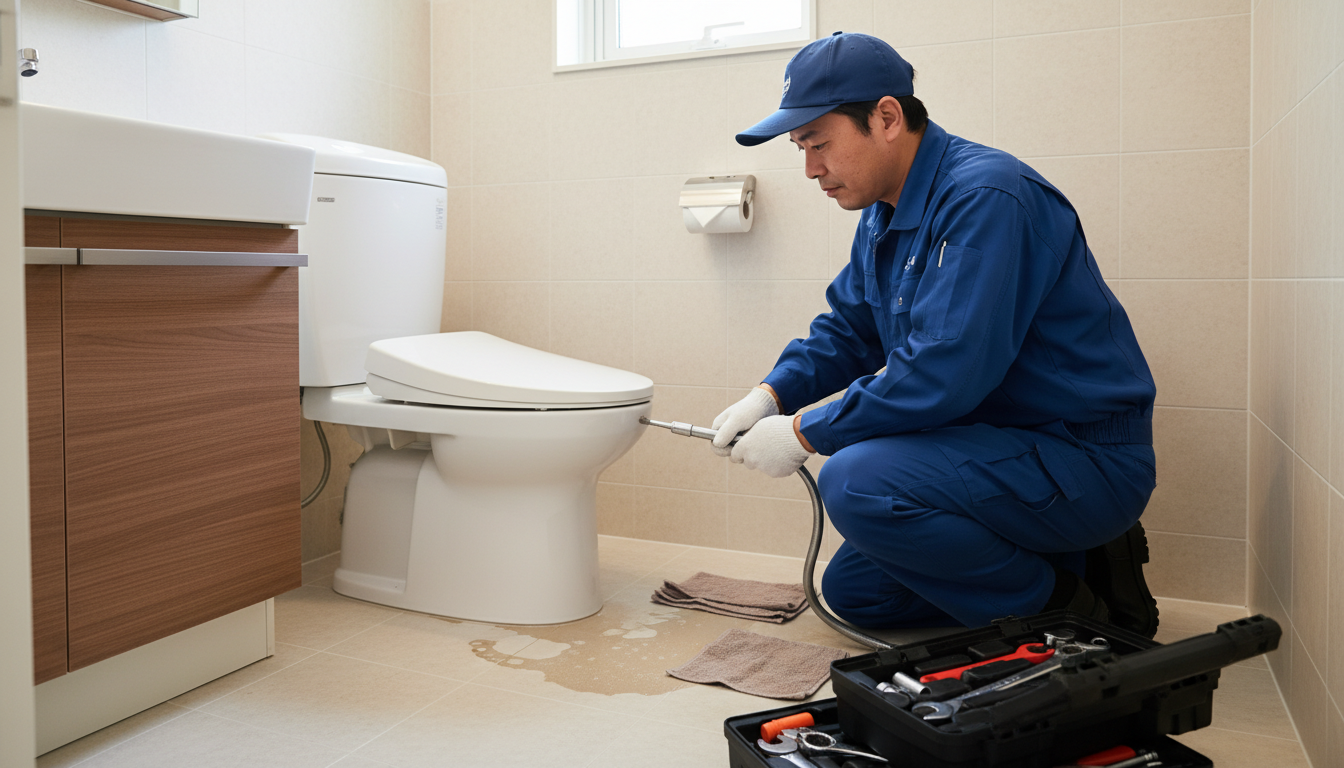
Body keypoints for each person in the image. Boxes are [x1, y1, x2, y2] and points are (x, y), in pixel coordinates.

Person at [716, 32, 1160, 637]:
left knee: (853, 480)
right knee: (855, 593)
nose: (810, 168)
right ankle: (1078, 563)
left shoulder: (988, 198)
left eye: (819, 143)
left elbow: (944, 371)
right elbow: (848, 330)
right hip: (993, 447)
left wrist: (803, 431)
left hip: (1079, 457)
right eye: (800, 147)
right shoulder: (884, 212)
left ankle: (1071, 616)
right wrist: (770, 395)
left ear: (888, 117)